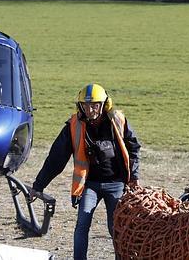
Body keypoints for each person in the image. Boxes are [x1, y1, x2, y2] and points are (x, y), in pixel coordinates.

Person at [30, 83, 141, 260]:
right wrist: (38, 185)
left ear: (105, 104)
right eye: (87, 105)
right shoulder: (74, 126)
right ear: (80, 106)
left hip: (116, 184)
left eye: (95, 105)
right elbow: (55, 159)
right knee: (82, 224)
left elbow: (134, 148)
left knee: (117, 228)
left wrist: (134, 177)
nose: (91, 109)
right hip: (89, 185)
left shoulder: (118, 120)